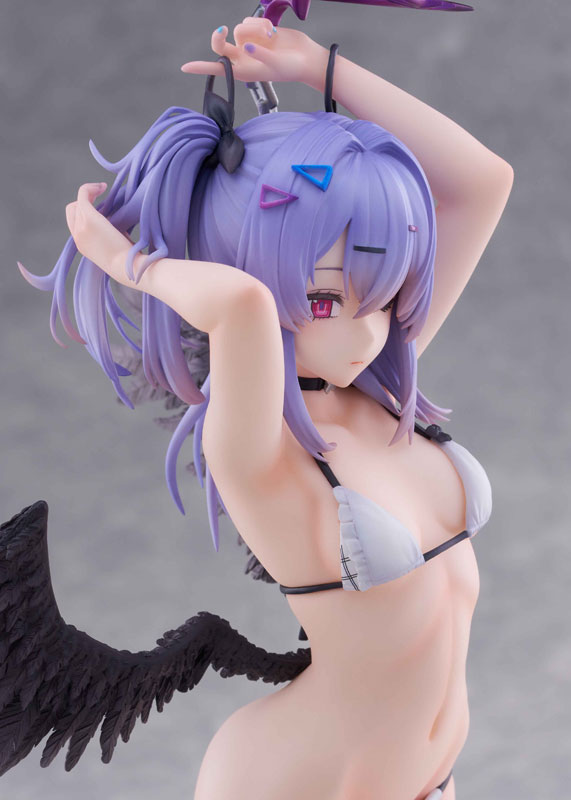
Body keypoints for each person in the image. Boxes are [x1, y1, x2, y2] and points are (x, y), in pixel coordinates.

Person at [12, 15, 513, 800]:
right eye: (324, 299)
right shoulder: (262, 451)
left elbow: (483, 182)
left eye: (383, 293)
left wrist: (317, 66)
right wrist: (126, 261)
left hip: (428, 781)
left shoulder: (376, 382)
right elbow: (241, 306)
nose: (366, 330)